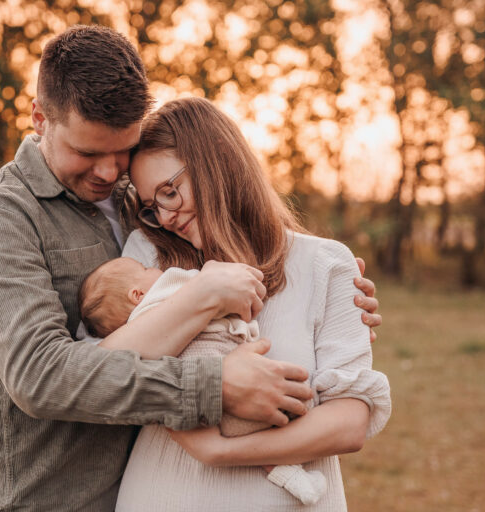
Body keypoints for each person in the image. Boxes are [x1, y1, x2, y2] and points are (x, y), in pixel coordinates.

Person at [0, 25, 382, 511]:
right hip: (43, 499)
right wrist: (214, 386)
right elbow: (41, 378)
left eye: (122, 151)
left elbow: (234, 226)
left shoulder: (140, 206)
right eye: (88, 152)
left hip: (134, 490)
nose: (109, 172)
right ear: (39, 120)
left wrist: (337, 289)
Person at [113, 97, 392, 511]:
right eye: (153, 207)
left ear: (217, 163)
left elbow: (348, 422)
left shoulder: (325, 263)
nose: (166, 216)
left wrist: (219, 451)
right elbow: (110, 370)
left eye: (170, 191)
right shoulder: (147, 256)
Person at [79, 256, 330, 505]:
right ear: (137, 294)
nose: (155, 268)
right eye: (145, 268)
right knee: (297, 399)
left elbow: (95, 354)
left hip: (211, 416)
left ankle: (284, 469)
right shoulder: (164, 294)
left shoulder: (135, 332)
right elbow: (204, 283)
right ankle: (288, 464)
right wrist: (212, 274)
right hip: (220, 374)